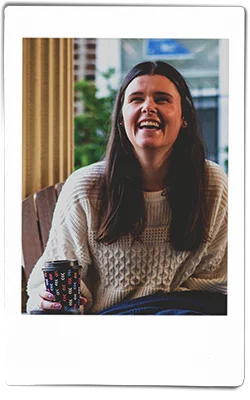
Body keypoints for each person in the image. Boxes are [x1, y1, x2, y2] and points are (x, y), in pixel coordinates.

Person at [26, 60, 227, 315]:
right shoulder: (85, 188)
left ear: (184, 117)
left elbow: (217, 286)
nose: (148, 107)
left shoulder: (211, 182)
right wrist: (47, 299)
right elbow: (51, 286)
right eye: (136, 99)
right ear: (121, 118)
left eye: (162, 99)